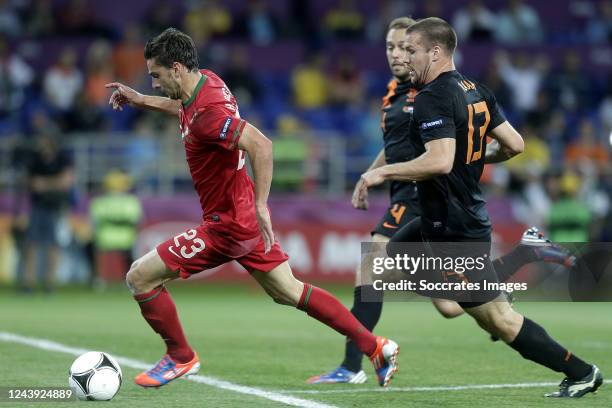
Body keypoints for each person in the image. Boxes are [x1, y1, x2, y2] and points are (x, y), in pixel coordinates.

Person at [105, 27, 399, 388]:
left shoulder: (208, 113)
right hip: (240, 215)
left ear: (177, 68)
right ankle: (376, 347)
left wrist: (261, 204)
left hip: (227, 224)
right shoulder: (206, 82)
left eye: (156, 75)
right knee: (288, 291)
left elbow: (261, 144)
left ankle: (180, 356)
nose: (153, 83)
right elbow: (184, 108)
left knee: (140, 276)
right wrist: (140, 100)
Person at [308, 17, 577, 386]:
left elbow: (439, 157)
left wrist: (382, 175)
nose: (397, 55)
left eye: (405, 47)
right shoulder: (396, 94)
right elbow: (396, 150)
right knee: (451, 306)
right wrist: (368, 175)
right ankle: (523, 255)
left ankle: (354, 364)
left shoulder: (429, 93)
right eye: (390, 47)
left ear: (428, 50)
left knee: (371, 270)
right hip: (417, 196)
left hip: (423, 198)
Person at [21, 133, 74, 293]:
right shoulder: (35, 159)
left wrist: (45, 183)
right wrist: (55, 182)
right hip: (38, 207)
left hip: (57, 208)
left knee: (53, 245)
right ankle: (28, 283)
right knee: (32, 244)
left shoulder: (62, 158)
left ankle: (50, 283)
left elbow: (65, 182)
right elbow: (33, 184)